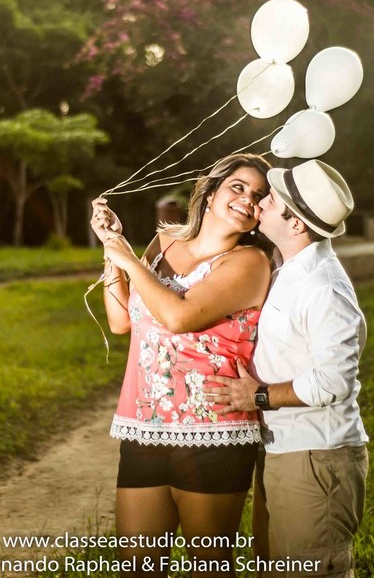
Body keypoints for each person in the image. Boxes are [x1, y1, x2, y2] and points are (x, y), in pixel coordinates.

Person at [91, 153, 273, 577]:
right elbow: (121, 320)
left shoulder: (250, 262)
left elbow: (179, 316)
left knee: (207, 568)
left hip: (214, 431)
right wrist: (110, 251)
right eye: (239, 187)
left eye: (260, 196)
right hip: (144, 425)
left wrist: (127, 257)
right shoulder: (165, 242)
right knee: (137, 567)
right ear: (210, 193)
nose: (249, 200)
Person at [205, 160, 369, 578]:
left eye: (271, 199)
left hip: (315, 459)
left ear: (295, 224)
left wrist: (255, 395)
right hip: (284, 451)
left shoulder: (324, 288)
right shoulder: (290, 269)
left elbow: (333, 382)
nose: (259, 204)